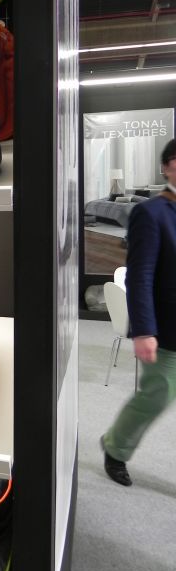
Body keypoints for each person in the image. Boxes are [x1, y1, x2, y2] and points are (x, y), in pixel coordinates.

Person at [101, 137, 176, 486]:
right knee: (157, 396)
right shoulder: (151, 213)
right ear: (166, 168)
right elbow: (141, 274)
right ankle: (116, 447)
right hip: (167, 327)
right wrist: (144, 330)